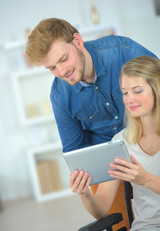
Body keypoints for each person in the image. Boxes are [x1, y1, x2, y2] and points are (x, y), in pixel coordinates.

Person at [25, 18, 158, 153]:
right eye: (52, 68)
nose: (62, 72)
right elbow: (74, 150)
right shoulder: (59, 96)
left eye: (64, 59)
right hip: (111, 162)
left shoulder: (124, 51)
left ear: (77, 41)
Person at [69, 56, 160, 231]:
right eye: (125, 93)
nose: (129, 99)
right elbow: (102, 209)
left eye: (137, 91)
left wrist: (146, 179)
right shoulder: (121, 142)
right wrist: (85, 194)